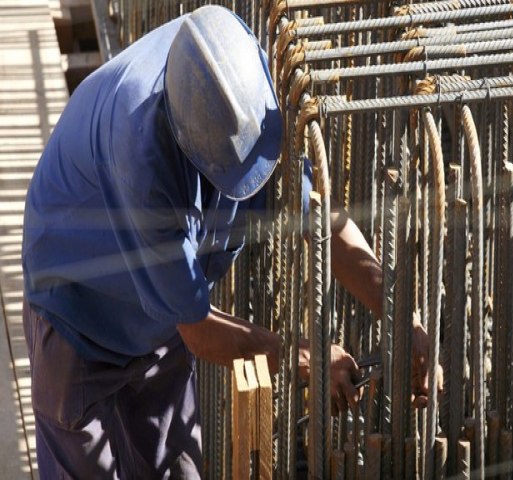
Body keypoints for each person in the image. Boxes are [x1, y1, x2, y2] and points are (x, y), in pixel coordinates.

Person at [22, 5, 434, 478]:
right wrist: (311, 360)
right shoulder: (142, 158)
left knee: (176, 468)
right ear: (192, 151)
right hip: (77, 312)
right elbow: (199, 332)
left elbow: (324, 224)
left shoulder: (242, 89)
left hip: (158, 323)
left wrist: (406, 320)